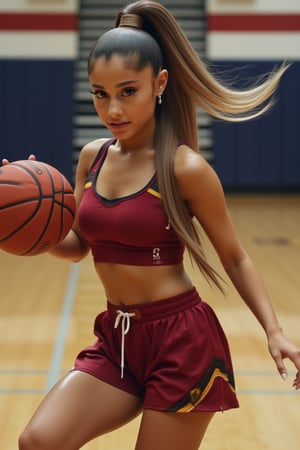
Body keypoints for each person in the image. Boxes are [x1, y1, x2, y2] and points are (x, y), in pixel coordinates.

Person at [9, 1, 299, 449]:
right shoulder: (94, 157)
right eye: (100, 93)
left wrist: (274, 331)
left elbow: (235, 256)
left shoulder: (186, 168)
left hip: (181, 343)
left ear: (159, 83)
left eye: (128, 91)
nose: (113, 108)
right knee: (38, 442)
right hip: (117, 339)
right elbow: (78, 244)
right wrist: (28, 224)